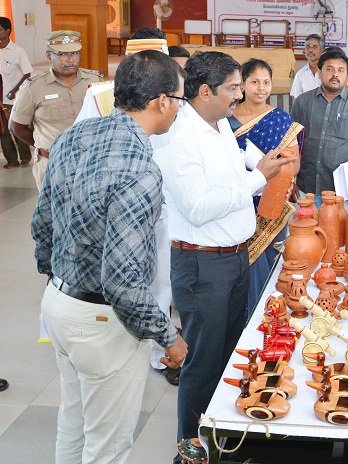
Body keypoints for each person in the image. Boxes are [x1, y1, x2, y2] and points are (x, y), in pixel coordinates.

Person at [30, 50, 188, 464]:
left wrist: (61, 281)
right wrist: (168, 338)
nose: (179, 110)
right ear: (161, 102)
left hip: (59, 303)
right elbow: (123, 282)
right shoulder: (139, 168)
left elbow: (41, 224)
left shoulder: (73, 136)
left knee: (75, 422)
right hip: (104, 323)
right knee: (108, 448)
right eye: (181, 100)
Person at [152, 52, 293, 458]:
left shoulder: (220, 129)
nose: (240, 94)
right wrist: (257, 177)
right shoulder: (178, 138)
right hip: (202, 264)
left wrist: (262, 171)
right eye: (232, 88)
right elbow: (198, 207)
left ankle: (222, 440)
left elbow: (235, 185)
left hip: (233, 258)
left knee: (230, 355)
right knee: (201, 362)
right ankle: (189, 450)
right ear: (204, 91)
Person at [71, 32, 184, 386]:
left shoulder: (178, 92)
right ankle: (152, 338)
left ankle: (158, 352)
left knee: (160, 279)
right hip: (121, 194)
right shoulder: (101, 94)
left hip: (162, 197)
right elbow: (81, 141)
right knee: (128, 273)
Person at [229, 58, 303, 315]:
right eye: (254, 82)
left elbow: (294, 165)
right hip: (235, 202)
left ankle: (267, 319)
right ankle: (241, 322)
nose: (261, 88)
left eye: (266, 82)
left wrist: (269, 171)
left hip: (270, 204)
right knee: (237, 269)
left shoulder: (280, 119)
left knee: (267, 266)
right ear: (242, 84)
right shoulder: (226, 120)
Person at [10, 30, 101, 190]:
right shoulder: (33, 87)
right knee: (53, 213)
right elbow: (17, 126)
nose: (70, 59)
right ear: (48, 55)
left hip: (90, 163)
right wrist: (45, 145)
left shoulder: (95, 80)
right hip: (52, 164)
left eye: (74, 53)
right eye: (62, 54)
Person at [290, 48, 348, 202]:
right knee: (305, 226)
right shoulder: (303, 102)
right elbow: (291, 145)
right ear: (319, 72)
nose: (335, 74)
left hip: (342, 193)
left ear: (347, 75)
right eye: (329, 69)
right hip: (306, 189)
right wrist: (290, 181)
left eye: (340, 70)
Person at [75, 28, 169, 121]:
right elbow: (81, 134)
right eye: (143, 60)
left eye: (157, 61)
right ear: (128, 59)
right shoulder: (99, 95)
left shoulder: (175, 94)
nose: (150, 67)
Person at [0, 17, 32, 169]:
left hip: (15, 98)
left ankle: (25, 157)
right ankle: (11, 160)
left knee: (16, 127)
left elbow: (27, 74)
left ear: (7, 31)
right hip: (0, 98)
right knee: (3, 131)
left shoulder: (18, 51)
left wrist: (14, 90)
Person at [290, 34, 322, 98]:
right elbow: (297, 101)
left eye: (315, 47)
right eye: (307, 47)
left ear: (322, 50)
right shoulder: (300, 74)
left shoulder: (328, 72)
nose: (310, 50)